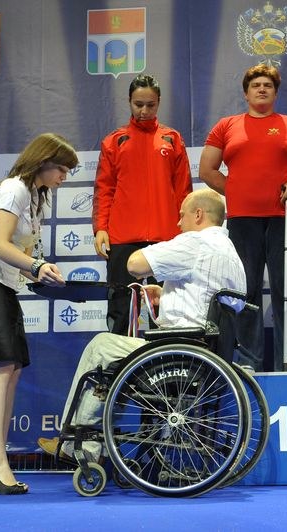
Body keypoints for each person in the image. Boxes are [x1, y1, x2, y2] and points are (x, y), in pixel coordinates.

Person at [38, 189, 246, 461]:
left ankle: (79, 447)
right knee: (113, 356)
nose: (178, 224)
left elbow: (135, 264)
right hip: (207, 352)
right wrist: (165, 294)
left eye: (181, 216)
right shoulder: (230, 253)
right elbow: (209, 298)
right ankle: (93, 444)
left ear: (198, 214)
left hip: (178, 351)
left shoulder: (196, 243)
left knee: (101, 346)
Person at [0, 133, 78, 494]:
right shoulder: (15, 189)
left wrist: (41, 273)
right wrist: (37, 264)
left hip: (3, 284)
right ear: (43, 161)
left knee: (13, 370)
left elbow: (18, 255)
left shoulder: (36, 198)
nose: (65, 177)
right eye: (63, 169)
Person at [199, 64, 287, 372]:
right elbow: (207, 171)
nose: (262, 89)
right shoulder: (226, 126)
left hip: (283, 217)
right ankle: (249, 360)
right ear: (246, 92)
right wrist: (236, 191)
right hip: (242, 220)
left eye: (268, 85)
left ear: (276, 92)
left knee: (286, 289)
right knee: (247, 290)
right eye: (256, 85)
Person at [93, 74, 193, 334]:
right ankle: (119, 366)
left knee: (169, 306)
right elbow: (104, 189)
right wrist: (100, 228)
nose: (144, 111)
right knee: (121, 306)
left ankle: (169, 361)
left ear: (159, 102)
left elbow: (184, 190)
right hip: (123, 236)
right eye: (138, 104)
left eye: (150, 104)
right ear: (129, 101)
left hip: (168, 236)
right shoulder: (114, 141)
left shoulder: (172, 139)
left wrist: (188, 231)